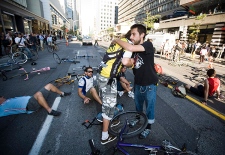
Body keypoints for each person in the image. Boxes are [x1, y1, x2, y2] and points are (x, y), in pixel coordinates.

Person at [113, 24, 158, 139]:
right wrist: (125, 64)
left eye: (134, 34)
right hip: (138, 83)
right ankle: (138, 120)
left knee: (149, 109)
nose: (132, 37)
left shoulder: (148, 45)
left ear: (142, 35)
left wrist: (116, 39)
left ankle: (147, 128)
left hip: (149, 85)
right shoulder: (134, 51)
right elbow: (131, 62)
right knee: (138, 106)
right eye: (131, 34)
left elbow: (131, 48)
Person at [98, 30, 132, 145]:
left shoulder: (118, 42)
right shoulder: (128, 45)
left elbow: (115, 61)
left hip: (103, 75)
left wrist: (121, 72)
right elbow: (126, 61)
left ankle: (109, 119)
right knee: (108, 107)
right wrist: (131, 62)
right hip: (108, 78)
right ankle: (104, 136)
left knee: (110, 103)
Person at [0, 83, 71, 117]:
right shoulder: (2, 108)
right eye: (1, 97)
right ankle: (50, 111)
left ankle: (62, 93)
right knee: (38, 94)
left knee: (49, 85)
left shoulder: (9, 100)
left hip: (33, 99)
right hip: (30, 106)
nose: (3, 96)